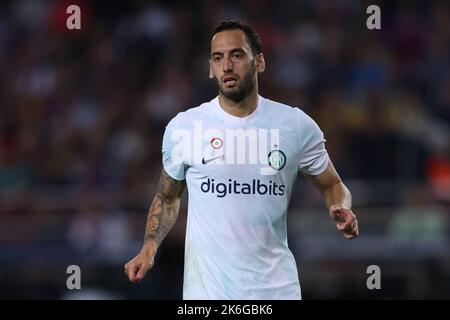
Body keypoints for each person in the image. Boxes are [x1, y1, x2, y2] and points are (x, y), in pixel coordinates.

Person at [124, 19, 358, 300]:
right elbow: (167, 198)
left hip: (276, 293)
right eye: (217, 58)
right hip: (207, 297)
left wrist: (342, 207)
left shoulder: (295, 125)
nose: (227, 66)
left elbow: (332, 184)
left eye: (237, 55)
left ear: (259, 62)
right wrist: (149, 248)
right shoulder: (185, 127)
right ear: (210, 69)